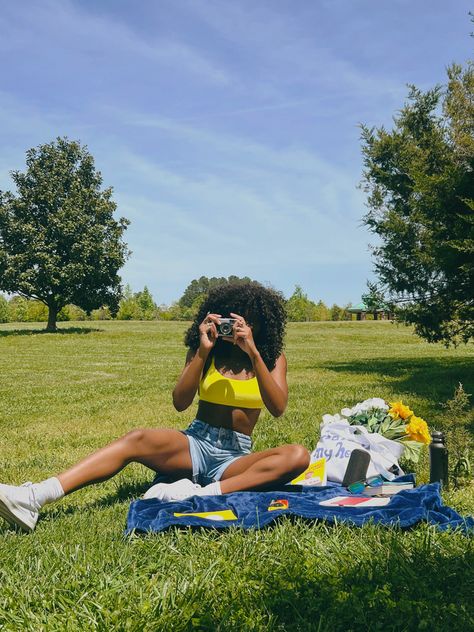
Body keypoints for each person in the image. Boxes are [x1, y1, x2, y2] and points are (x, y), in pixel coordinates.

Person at [0, 281, 310, 532]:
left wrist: (253, 352)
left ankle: (200, 494)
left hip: (235, 458)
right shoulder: (206, 350)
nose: (233, 328)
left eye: (242, 322)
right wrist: (202, 353)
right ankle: (34, 496)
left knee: (297, 456)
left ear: (259, 325)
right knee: (136, 438)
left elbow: (278, 407)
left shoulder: (270, 358)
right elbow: (180, 402)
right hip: (195, 443)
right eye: (228, 320)